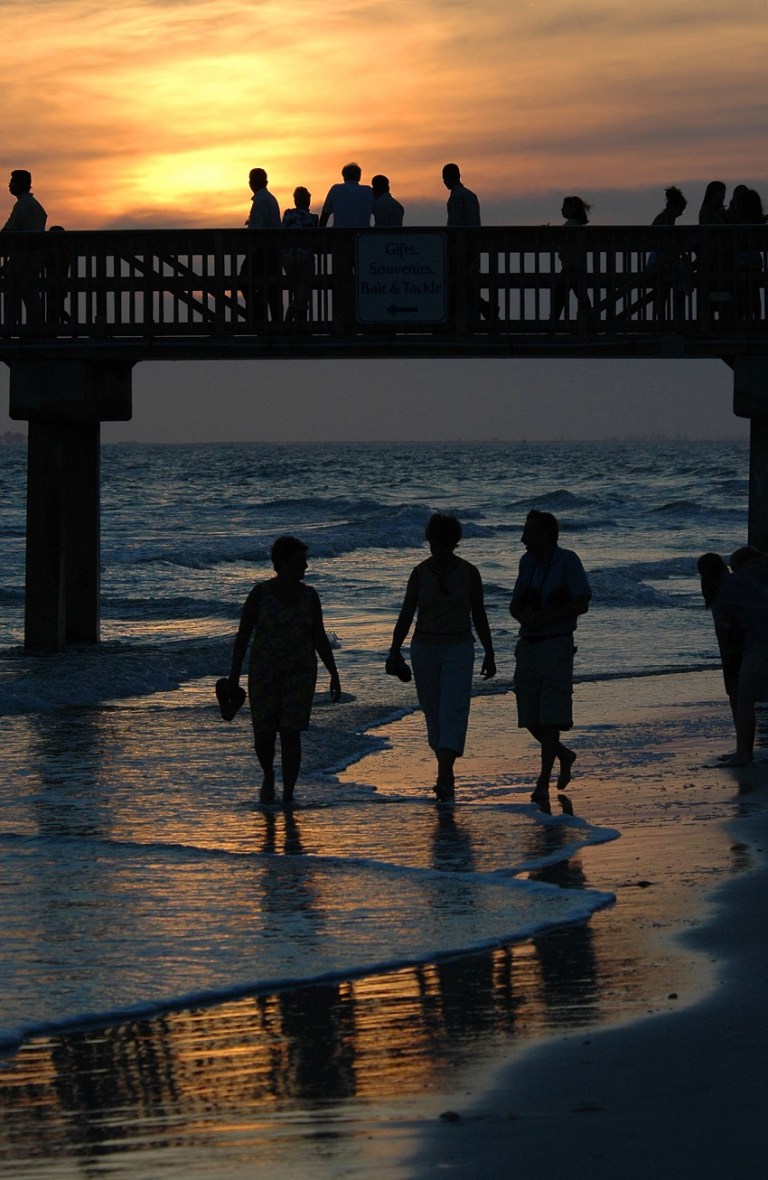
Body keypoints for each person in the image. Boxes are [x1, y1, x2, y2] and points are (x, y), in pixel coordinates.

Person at [387, 513, 496, 802]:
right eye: (434, 542)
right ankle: (445, 770)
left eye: (444, 543)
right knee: (433, 713)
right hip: (424, 649)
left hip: (459, 648)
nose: (438, 548)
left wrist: (489, 651)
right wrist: (394, 649)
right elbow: (406, 613)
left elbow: (479, 614)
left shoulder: (469, 572)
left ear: (454, 543)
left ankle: (444, 775)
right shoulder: (419, 573)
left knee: (453, 710)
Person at [227, 535, 341, 806]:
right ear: (282, 563)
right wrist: (234, 677)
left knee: (291, 734)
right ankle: (268, 775)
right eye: (301, 561)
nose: (306, 566)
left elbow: (319, 636)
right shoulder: (260, 594)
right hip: (263, 674)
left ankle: (288, 794)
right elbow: (242, 637)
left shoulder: (310, 596)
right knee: (263, 735)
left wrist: (334, 673)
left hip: (300, 675)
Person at [509, 509, 591, 806]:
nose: (523, 540)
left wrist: (549, 617)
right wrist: (524, 617)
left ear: (544, 536)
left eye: (528, 534)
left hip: (557, 643)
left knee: (551, 717)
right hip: (528, 643)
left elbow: (582, 601)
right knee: (529, 715)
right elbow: (514, 604)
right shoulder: (526, 562)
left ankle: (543, 781)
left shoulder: (568, 561)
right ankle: (563, 755)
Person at [713, 546, 768, 766]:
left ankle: (744, 753)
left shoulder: (736, 583)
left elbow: (724, 625)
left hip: (758, 642)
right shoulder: (759, 575)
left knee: (745, 700)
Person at [697, 552, 742, 753]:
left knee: (737, 697)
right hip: (741, 645)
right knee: (740, 696)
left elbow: (721, 626)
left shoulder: (718, 591)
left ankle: (742, 747)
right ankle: (742, 747)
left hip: (733, 648)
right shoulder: (733, 585)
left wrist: (726, 648)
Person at [441, 162, 495, 324]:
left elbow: (456, 227)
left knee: (455, 284)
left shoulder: (456, 197)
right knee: (465, 285)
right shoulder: (471, 195)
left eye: (444, 178)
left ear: (448, 178)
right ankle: (485, 309)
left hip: (461, 250)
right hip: (473, 246)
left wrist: (451, 248)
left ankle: (455, 319)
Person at [1, 169, 47, 329]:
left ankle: (10, 330)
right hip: (33, 258)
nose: (9, 185)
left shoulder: (23, 205)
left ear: (19, 184)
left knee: (14, 296)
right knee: (31, 296)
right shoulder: (36, 206)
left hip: (22, 258)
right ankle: (37, 330)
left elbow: (8, 230)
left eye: (11, 182)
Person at [240, 167, 282, 327]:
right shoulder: (269, 198)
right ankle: (270, 323)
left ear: (252, 183)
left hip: (263, 251)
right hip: (271, 251)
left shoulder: (261, 201)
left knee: (245, 281)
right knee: (270, 289)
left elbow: (260, 228)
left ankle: (260, 319)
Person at [648, 186, 691, 321]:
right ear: (674, 207)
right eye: (680, 210)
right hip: (659, 260)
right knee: (663, 291)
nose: (681, 214)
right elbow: (665, 244)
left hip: (663, 259)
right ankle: (665, 319)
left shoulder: (666, 218)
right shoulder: (664, 219)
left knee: (664, 290)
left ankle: (665, 318)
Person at [550, 196, 593, 327]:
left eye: (565, 207)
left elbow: (560, 237)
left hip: (570, 266)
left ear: (572, 210)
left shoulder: (571, 225)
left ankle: (553, 321)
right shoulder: (577, 225)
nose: (561, 209)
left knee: (560, 294)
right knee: (579, 294)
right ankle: (590, 318)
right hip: (576, 266)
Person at [281, 186, 318, 325]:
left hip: (288, 257)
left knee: (298, 290)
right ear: (308, 201)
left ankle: (294, 323)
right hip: (305, 256)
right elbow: (315, 239)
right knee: (303, 290)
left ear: (295, 201)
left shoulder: (287, 214)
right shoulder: (313, 218)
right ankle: (294, 323)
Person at [318, 163, 373, 228]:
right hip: (363, 233)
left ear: (344, 176)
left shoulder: (336, 190)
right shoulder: (368, 191)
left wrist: (320, 231)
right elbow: (378, 212)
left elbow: (325, 214)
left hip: (339, 232)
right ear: (359, 176)